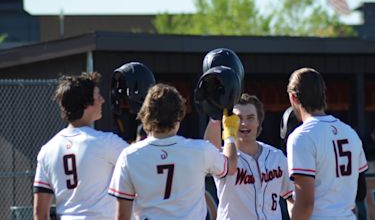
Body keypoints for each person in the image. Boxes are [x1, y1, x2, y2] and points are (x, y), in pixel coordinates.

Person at [108, 83, 239, 220]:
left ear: (146, 115)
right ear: (179, 115)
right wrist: (229, 134)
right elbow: (231, 166)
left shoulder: (129, 156)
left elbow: (122, 216)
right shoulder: (200, 150)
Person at [33, 72, 129, 220]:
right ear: (85, 104)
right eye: (98, 97)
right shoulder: (106, 142)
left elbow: (40, 213)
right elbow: (141, 164)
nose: (102, 100)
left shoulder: (47, 150)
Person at [286, 67, 368, 220]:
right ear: (323, 94)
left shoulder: (301, 137)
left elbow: (305, 205)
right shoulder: (350, 132)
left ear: (293, 98)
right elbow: (361, 192)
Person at [204, 93, 294, 220]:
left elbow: (292, 196)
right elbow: (209, 150)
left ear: (259, 122)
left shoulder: (276, 157)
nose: (244, 123)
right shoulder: (225, 157)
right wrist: (215, 118)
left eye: (250, 117)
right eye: (238, 118)